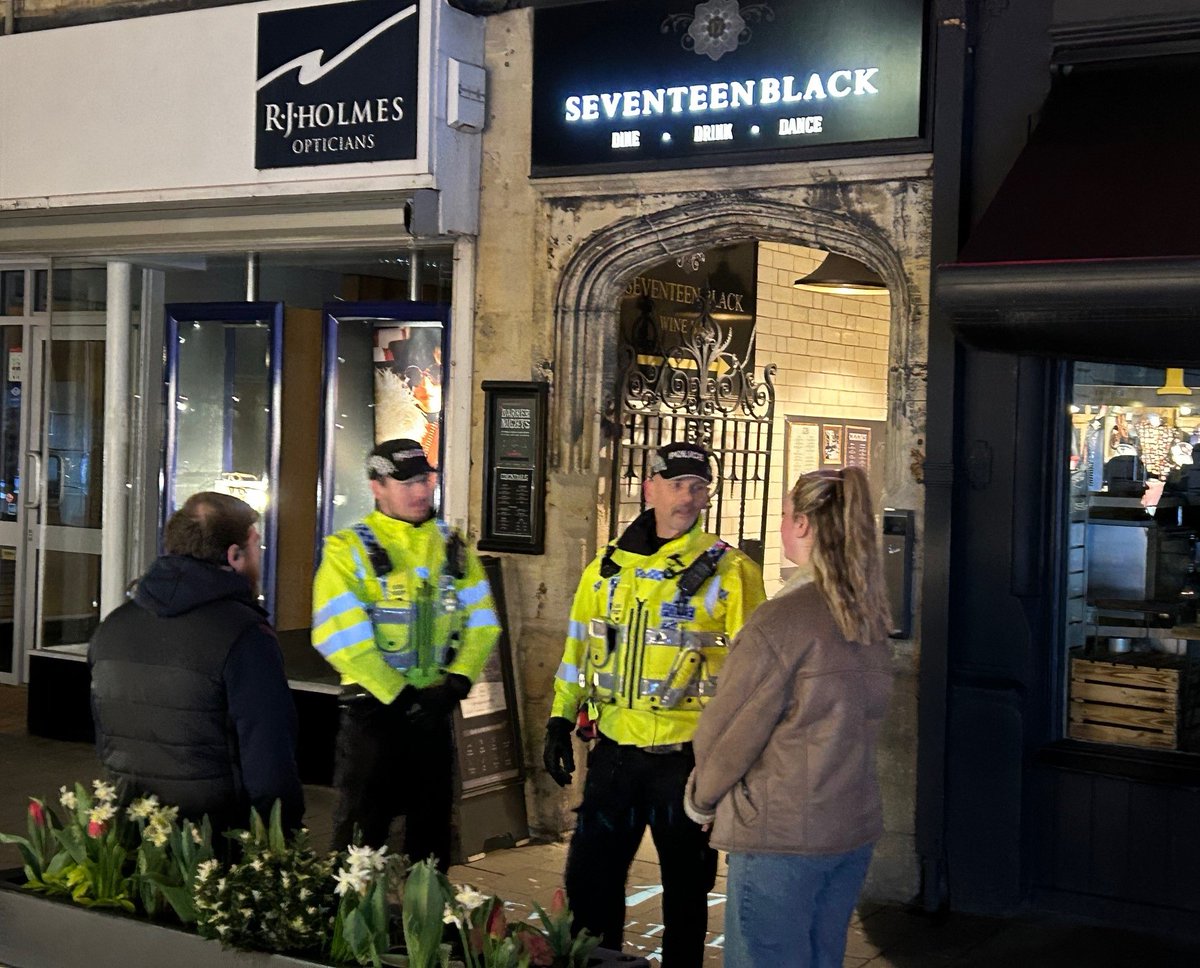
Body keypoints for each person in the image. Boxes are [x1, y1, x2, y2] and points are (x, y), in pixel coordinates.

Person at [543, 441, 765, 967]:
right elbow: (578, 649)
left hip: (686, 764)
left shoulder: (731, 572)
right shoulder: (606, 567)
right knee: (590, 884)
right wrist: (558, 716)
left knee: (686, 897)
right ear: (650, 488)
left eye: (698, 486)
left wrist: (733, 768)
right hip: (615, 756)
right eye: (677, 485)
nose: (688, 497)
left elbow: (755, 679)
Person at [684, 467, 894, 968]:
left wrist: (701, 800)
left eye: (782, 516)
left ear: (802, 525)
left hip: (782, 837)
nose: (780, 526)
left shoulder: (782, 620)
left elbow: (730, 731)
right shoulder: (868, 613)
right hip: (849, 830)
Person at [311, 438, 500, 868]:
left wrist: (457, 682)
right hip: (372, 718)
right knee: (361, 844)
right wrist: (398, 694)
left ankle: (423, 928)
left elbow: (483, 623)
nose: (420, 491)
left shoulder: (452, 545)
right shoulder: (349, 549)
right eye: (407, 482)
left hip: (433, 713)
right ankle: (353, 931)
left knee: (431, 843)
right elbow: (340, 636)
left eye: (425, 479)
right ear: (377, 486)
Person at [89, 491, 304, 836]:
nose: (259, 559)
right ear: (234, 555)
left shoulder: (112, 627)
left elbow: (108, 740)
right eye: (256, 548)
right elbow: (267, 753)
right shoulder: (245, 636)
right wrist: (282, 832)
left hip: (135, 832)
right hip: (216, 842)